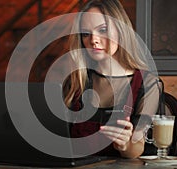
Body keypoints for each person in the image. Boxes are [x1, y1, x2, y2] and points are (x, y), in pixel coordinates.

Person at [63, 0, 160, 158]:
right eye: (86, 34)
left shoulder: (146, 83)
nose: (93, 40)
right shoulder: (76, 81)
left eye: (102, 30)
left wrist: (125, 144)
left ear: (121, 31)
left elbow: (137, 149)